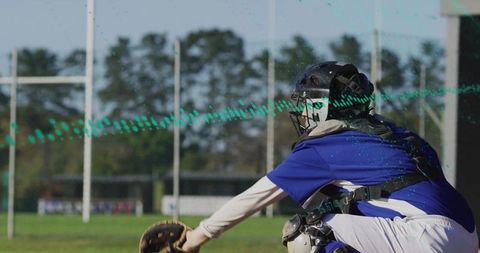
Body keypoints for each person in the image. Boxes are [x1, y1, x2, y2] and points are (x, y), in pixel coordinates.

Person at [180, 62, 478, 253]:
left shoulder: (324, 146)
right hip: (466, 235)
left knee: (307, 231)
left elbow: (257, 197)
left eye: (310, 102)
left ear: (326, 106)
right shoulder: (395, 132)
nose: (303, 111)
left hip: (426, 237)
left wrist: (196, 239)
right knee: (342, 209)